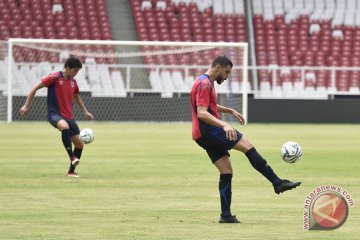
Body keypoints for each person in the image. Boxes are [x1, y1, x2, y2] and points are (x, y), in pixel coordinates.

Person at [190, 56, 301, 223]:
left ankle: (225, 215)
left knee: (226, 171)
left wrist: (229, 111)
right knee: (247, 145)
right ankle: (277, 182)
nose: (227, 76)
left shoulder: (203, 81)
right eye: (226, 72)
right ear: (218, 67)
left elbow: (209, 106)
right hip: (210, 130)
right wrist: (224, 125)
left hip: (200, 135)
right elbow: (202, 112)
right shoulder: (205, 84)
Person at [19, 56, 94, 178]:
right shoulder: (54, 77)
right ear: (68, 67)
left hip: (69, 117)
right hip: (54, 114)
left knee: (79, 145)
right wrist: (26, 106)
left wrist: (85, 111)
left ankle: (71, 172)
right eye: (75, 70)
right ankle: (72, 157)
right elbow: (35, 88)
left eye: (77, 71)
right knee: (64, 126)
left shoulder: (73, 82)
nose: (76, 74)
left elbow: (76, 97)